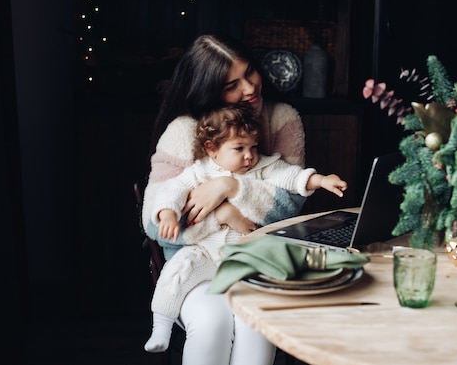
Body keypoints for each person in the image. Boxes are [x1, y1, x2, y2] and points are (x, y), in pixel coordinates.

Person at [141, 33, 307, 365]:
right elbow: (153, 224)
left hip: (258, 262)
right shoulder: (184, 130)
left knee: (257, 324)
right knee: (211, 322)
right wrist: (222, 218)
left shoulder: (283, 118)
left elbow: (288, 211)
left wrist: (229, 188)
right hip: (195, 264)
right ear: (208, 91)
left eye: (250, 72)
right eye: (232, 85)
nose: (249, 88)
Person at [144, 103, 347, 353]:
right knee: (177, 272)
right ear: (212, 149)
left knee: (263, 304)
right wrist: (167, 215)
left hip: (246, 257)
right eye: (239, 149)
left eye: (253, 147)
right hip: (206, 253)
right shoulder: (200, 172)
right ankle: (161, 325)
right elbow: (171, 191)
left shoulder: (263, 167)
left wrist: (321, 180)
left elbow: (292, 177)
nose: (249, 155)